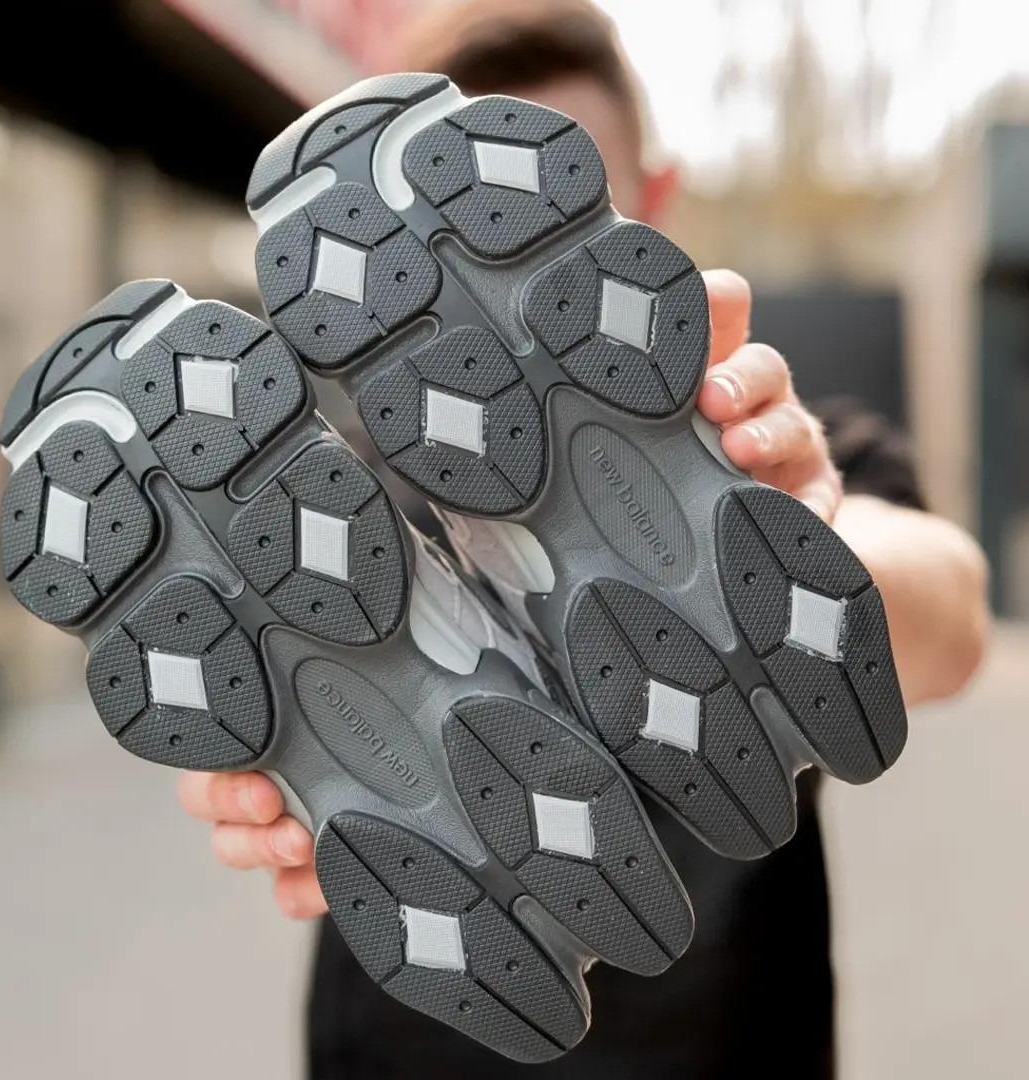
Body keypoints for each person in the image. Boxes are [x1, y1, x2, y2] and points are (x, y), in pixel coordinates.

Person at [177, 1, 991, 1075]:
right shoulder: (330, 514)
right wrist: (267, 773)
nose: (487, 268)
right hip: (413, 1035)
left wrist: (798, 547)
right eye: (444, 234)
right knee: (328, 637)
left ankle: (719, 583)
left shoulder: (776, 440)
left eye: (522, 215)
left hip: (720, 1043)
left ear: (650, 199)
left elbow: (955, 619)